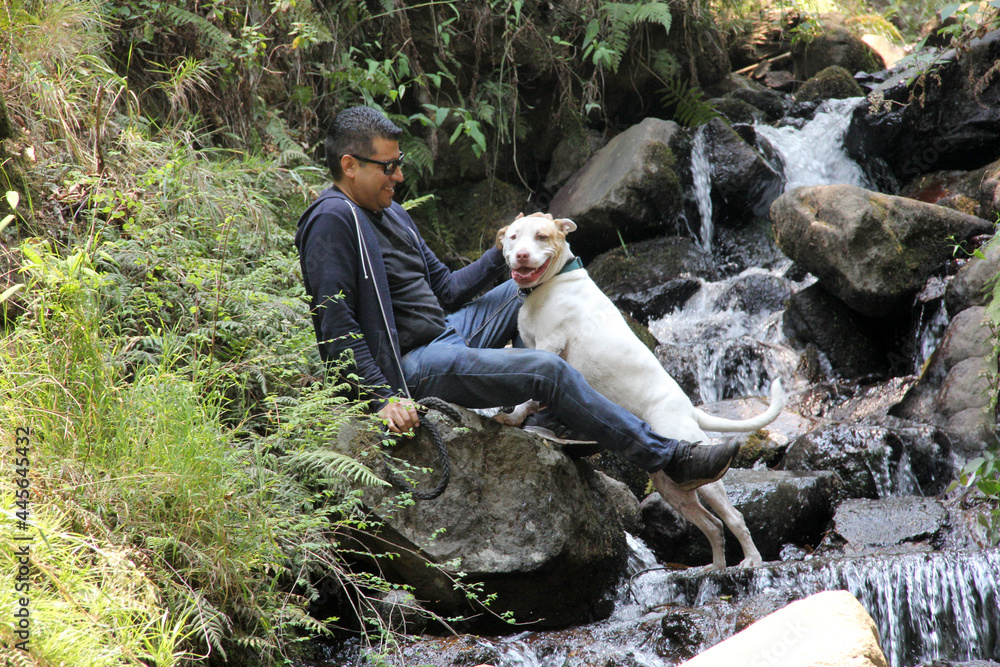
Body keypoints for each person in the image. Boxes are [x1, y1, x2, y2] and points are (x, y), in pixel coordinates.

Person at [294, 105, 738, 490]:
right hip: (412, 366)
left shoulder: (389, 211)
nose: (400, 175)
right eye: (388, 167)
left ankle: (546, 414)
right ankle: (668, 458)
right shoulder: (333, 220)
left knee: (526, 284)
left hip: (447, 333)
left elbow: (446, 289)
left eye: (400, 161)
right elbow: (335, 326)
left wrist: (505, 251)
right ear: (350, 166)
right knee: (545, 368)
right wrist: (384, 398)